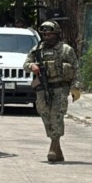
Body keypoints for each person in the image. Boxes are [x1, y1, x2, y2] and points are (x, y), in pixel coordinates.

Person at [23, 20, 81, 162]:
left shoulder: (66, 50)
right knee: (44, 113)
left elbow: (76, 69)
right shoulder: (37, 50)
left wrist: (76, 87)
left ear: (56, 34)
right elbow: (25, 64)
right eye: (45, 34)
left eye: (50, 34)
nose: (47, 37)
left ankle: (53, 147)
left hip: (60, 88)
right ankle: (57, 148)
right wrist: (32, 66)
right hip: (43, 88)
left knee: (56, 115)